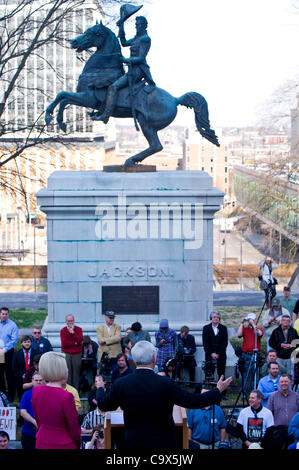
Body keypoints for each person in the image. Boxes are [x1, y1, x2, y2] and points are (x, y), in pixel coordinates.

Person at [96, 340, 232, 449]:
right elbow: (194, 401)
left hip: (135, 443)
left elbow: (104, 404)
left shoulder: (121, 384)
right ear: (154, 358)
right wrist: (217, 390)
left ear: (133, 359)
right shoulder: (166, 383)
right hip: (164, 444)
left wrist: (100, 388)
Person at [93, 13, 155, 124]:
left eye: (139, 24)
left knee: (113, 87)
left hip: (138, 71)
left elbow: (141, 58)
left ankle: (106, 116)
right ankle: (100, 110)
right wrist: (121, 26)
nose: (136, 26)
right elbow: (124, 42)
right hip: (131, 69)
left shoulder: (145, 39)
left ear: (144, 26)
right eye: (136, 24)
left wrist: (125, 60)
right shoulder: (137, 38)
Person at [32, 351, 81, 449]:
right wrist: (78, 443)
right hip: (64, 444)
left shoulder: (36, 391)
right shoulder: (67, 396)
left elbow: (38, 420)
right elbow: (74, 427)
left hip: (42, 441)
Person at [187, 385, 227, 449]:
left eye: (207, 394)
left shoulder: (218, 410)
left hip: (215, 444)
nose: (205, 396)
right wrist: (190, 443)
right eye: (203, 394)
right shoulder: (193, 409)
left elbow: (223, 428)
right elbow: (189, 427)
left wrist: (221, 444)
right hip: (198, 444)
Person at [267, 374, 299, 449]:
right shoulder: (273, 396)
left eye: (286, 381)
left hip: (293, 431)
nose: (284, 383)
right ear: (279, 383)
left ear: (290, 383)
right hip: (278, 431)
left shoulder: (296, 396)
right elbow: (268, 414)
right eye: (282, 382)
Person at [237, 313, 264, 393]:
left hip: (255, 354)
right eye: (249, 320)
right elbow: (239, 335)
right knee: (244, 374)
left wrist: (253, 324)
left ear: (255, 320)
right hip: (246, 354)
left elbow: (259, 333)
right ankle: (243, 392)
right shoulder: (245, 329)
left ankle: (254, 391)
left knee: (255, 374)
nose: (250, 321)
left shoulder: (259, 328)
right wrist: (242, 323)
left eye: (252, 319)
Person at [20, 372, 44, 449]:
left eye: (40, 380)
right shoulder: (26, 394)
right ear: (32, 381)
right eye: (36, 380)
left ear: (44, 381)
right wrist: (34, 422)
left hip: (44, 433)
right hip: (28, 433)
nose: (38, 382)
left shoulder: (48, 394)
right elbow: (23, 412)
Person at [202, 311, 228, 379]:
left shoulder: (223, 328)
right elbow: (205, 342)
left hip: (221, 355)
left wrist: (218, 353)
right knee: (209, 373)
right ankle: (209, 388)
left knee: (221, 373)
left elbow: (224, 342)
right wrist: (211, 353)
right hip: (209, 355)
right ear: (211, 318)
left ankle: (222, 389)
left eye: (217, 317)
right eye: (214, 317)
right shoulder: (206, 328)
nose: (216, 318)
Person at [60, 314, 83, 390]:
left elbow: (80, 341)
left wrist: (73, 333)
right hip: (67, 354)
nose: (70, 322)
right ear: (66, 321)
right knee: (68, 373)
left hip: (77, 354)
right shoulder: (63, 331)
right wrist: (75, 343)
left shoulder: (79, 329)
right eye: (68, 321)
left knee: (76, 373)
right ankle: (68, 390)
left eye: (71, 321)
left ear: (74, 321)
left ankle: (76, 391)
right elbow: (64, 344)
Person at [0, 307, 18, 401]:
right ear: (0, 314)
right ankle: (2, 393)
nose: (4, 315)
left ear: (8, 315)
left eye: (6, 314)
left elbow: (14, 340)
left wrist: (5, 349)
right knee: (0, 373)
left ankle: (11, 394)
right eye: (3, 313)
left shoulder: (12, 325)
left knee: (9, 373)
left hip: (8, 351)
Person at [12, 335, 38, 400]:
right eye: (25, 342)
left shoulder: (36, 352)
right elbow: (14, 367)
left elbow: (37, 365)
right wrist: (22, 375)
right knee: (22, 396)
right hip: (21, 378)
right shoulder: (17, 354)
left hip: (33, 376)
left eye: (28, 342)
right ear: (21, 343)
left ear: (31, 343)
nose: (27, 344)